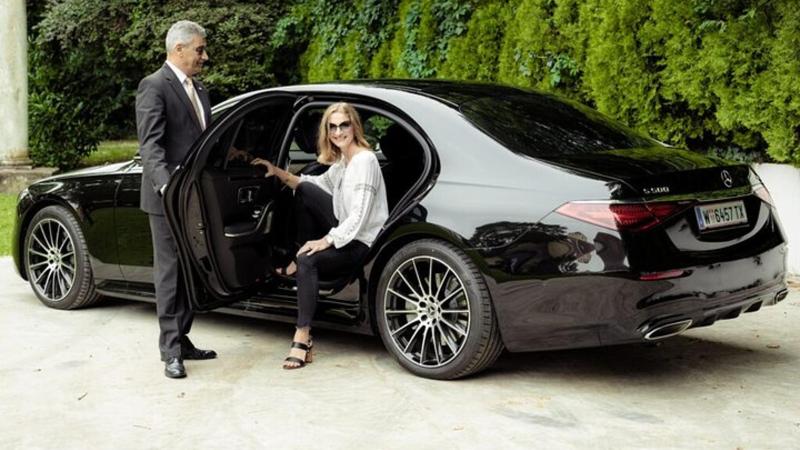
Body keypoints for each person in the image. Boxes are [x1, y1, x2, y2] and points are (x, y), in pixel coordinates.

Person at [251, 102, 389, 369]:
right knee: (305, 191)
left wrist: (326, 240)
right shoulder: (343, 161)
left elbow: (359, 216)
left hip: (361, 242)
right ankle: (299, 256)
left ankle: (302, 336)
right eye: (332, 127)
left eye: (343, 125)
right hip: (345, 231)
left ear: (354, 126)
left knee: (308, 260)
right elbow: (313, 184)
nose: (338, 132)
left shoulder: (365, 161)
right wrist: (277, 172)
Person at [136, 20, 217, 379]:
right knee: (169, 273)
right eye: (200, 49)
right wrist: (168, 189)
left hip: (194, 198)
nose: (205, 56)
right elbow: (150, 147)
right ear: (178, 49)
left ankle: (182, 339)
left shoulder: (199, 89)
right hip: (167, 199)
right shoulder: (154, 86)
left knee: (190, 271)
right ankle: (170, 351)